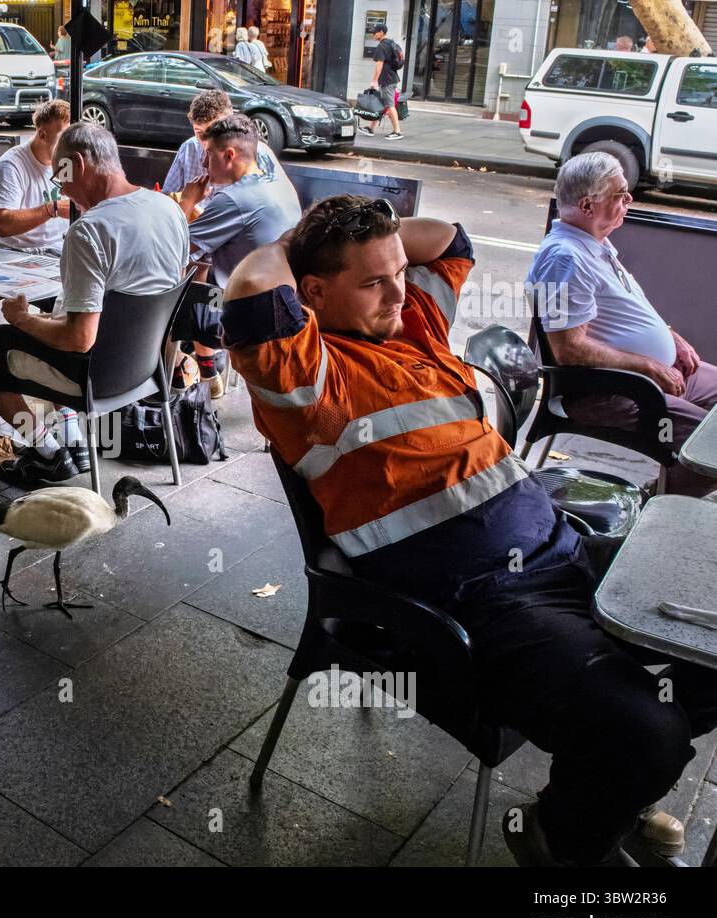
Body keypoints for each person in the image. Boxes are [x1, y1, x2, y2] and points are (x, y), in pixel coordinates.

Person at [222, 194, 714, 866]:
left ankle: (606, 786)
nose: (397, 292)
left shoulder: (411, 324)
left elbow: (450, 239)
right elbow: (250, 286)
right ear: (310, 292)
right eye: (372, 283)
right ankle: (567, 830)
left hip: (561, 547)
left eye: (398, 274)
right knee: (648, 733)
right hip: (483, 599)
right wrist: (294, 239)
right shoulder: (308, 375)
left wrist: (376, 250)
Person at [0, 123, 189, 486]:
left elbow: (78, 339)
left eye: (60, 176)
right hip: (144, 367)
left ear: (78, 164)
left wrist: (20, 320)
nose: (60, 189)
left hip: (93, 377)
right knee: (52, 328)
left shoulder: (89, 230)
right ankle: (75, 442)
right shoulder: (169, 210)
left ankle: (46, 451)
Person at [527, 151, 716, 497]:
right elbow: (567, 349)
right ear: (587, 206)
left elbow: (624, 311)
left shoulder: (593, 243)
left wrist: (671, 338)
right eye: (620, 193)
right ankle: (653, 508)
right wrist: (648, 365)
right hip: (615, 390)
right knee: (714, 446)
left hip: (651, 374)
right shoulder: (565, 258)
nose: (629, 199)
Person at [182, 113, 301, 397]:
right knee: (201, 266)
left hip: (249, 313)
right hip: (287, 301)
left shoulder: (233, 199)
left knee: (170, 295)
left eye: (208, 155)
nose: (203, 164)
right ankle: (204, 370)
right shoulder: (275, 182)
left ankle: (195, 374)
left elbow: (173, 249)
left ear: (229, 155)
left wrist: (187, 202)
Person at [0, 98, 71, 255]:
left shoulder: (66, 162)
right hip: (21, 252)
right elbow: (3, 225)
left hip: (59, 248)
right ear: (42, 135)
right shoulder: (10, 166)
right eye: (63, 138)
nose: (69, 145)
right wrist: (52, 208)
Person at [161, 90, 277, 196]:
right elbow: (167, 197)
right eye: (199, 132)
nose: (207, 142)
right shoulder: (189, 148)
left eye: (215, 132)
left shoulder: (258, 154)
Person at [358, 26, 403, 140]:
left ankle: (397, 131)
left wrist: (374, 80)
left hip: (387, 80)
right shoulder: (390, 43)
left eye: (375, 33)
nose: (373, 35)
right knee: (382, 104)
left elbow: (379, 65)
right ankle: (371, 128)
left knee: (389, 105)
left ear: (381, 32)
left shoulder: (382, 46)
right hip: (390, 78)